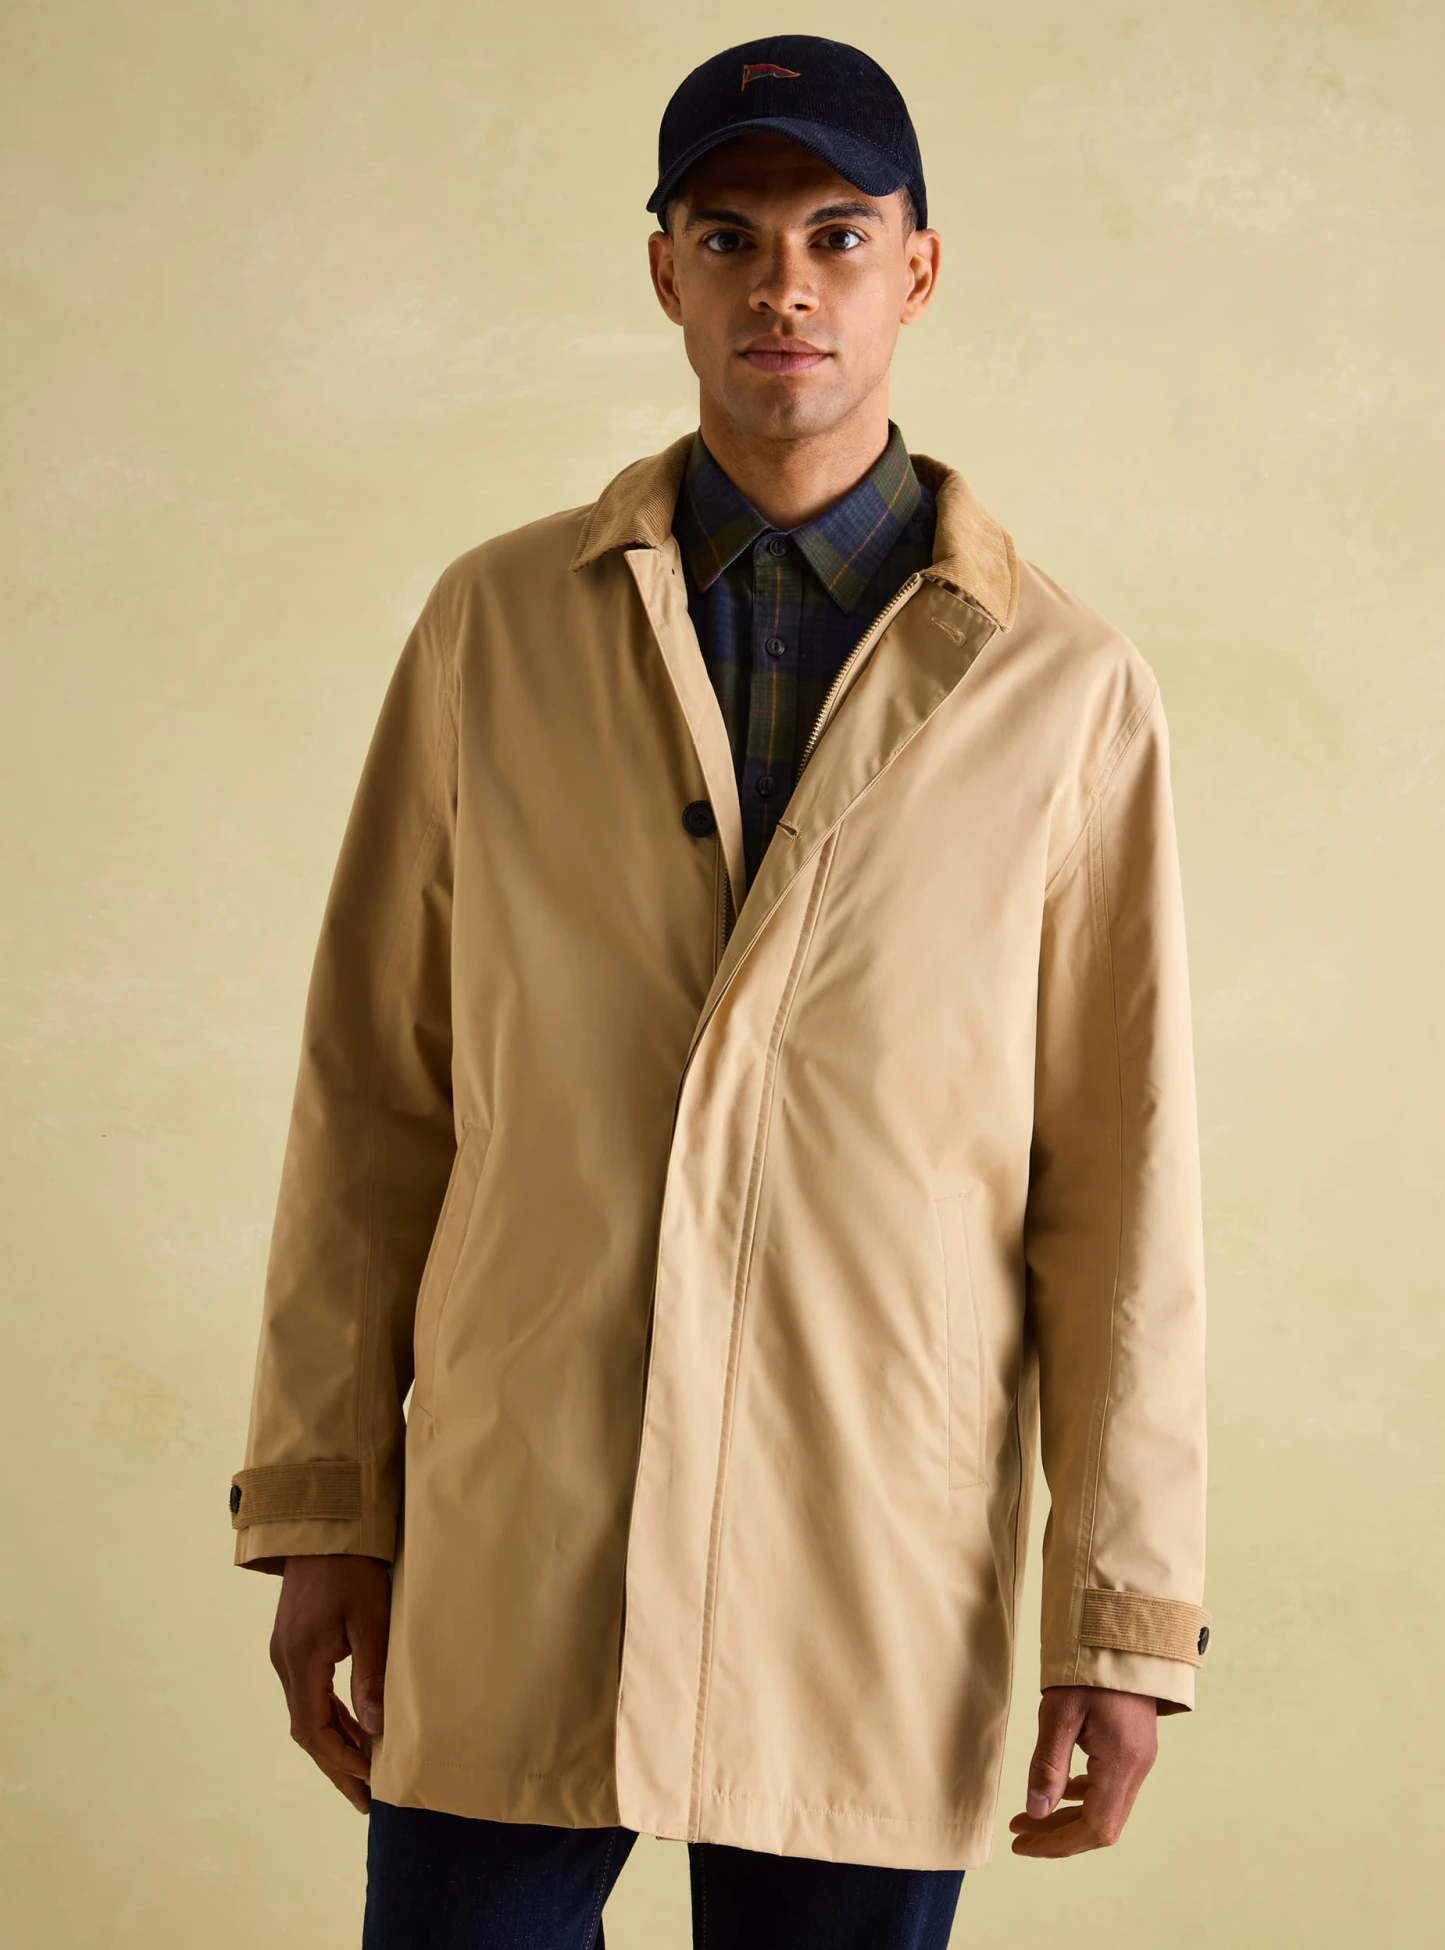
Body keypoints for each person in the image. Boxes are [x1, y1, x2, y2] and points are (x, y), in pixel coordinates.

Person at [230, 34, 1210, 1950]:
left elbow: (1124, 1190)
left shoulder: (1067, 693)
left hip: (870, 1541)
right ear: (664, 269)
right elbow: (374, 1092)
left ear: (918, 269)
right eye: (732, 235)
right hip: (522, 1525)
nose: (785, 285)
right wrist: (330, 1500)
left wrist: (1122, 1617)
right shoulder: (494, 626)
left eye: (837, 236)